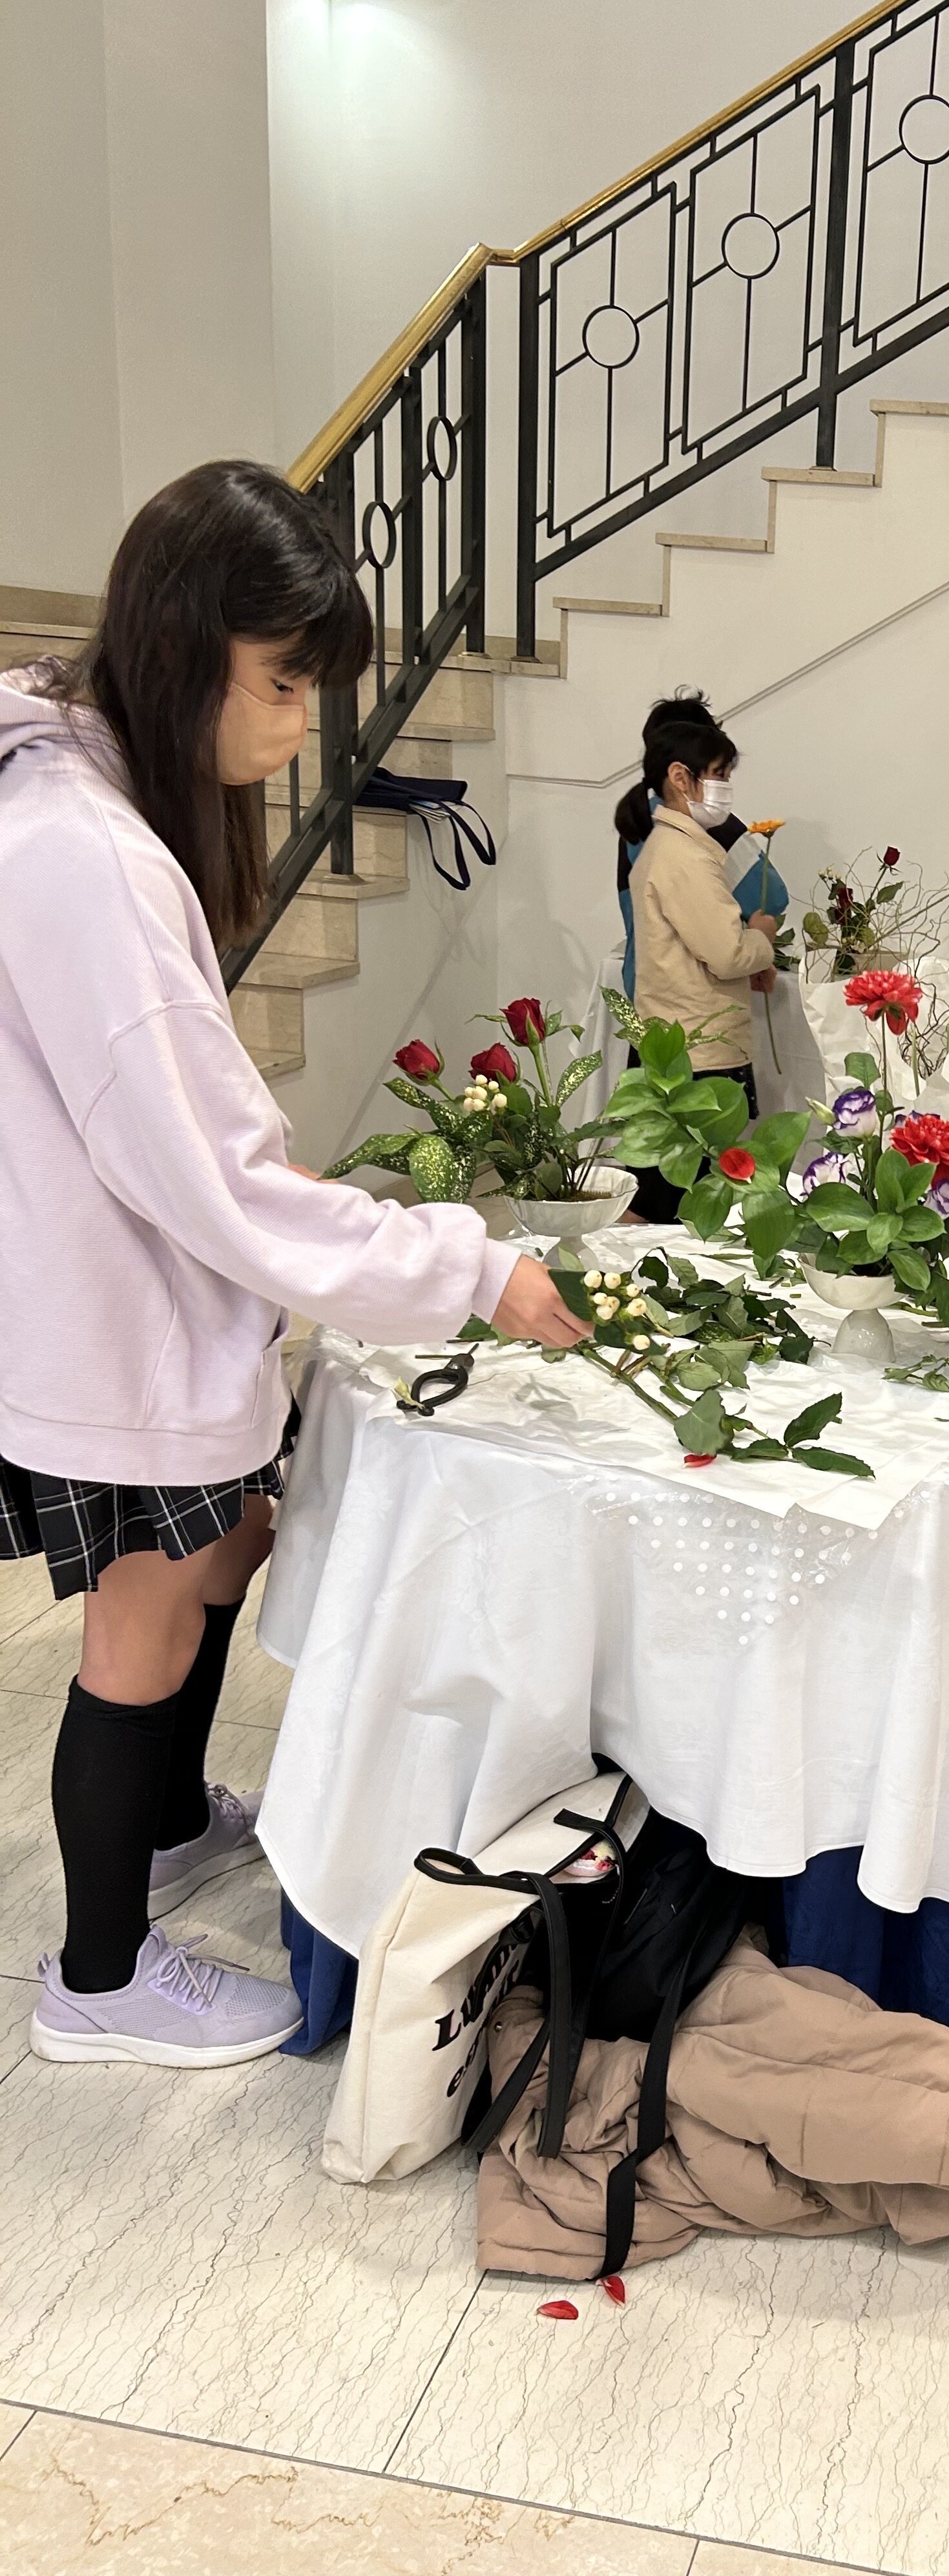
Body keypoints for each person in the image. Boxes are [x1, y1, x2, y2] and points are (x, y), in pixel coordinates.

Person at [0, 461, 588, 2073]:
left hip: (125, 1281)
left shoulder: (83, 787)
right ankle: (99, 1981)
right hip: (107, 1311)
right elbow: (210, 1172)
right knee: (142, 1620)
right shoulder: (82, 852)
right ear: (184, 646)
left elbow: (192, 1139)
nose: (293, 730)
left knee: (227, 1544)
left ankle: (163, 1820)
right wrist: (468, 1268)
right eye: (278, 685)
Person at [615, 692, 778, 1221]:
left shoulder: (669, 843)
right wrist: (761, 938)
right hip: (698, 1048)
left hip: (677, 1036)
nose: (726, 786)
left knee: (665, 1188)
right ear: (681, 777)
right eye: (718, 773)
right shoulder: (684, 855)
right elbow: (728, 953)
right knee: (681, 1195)